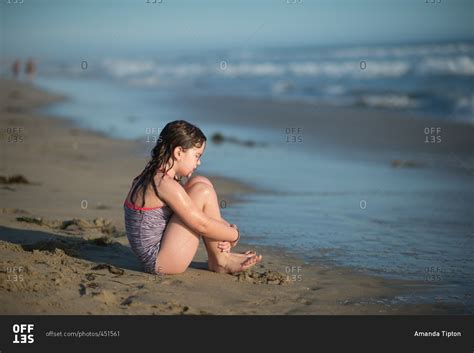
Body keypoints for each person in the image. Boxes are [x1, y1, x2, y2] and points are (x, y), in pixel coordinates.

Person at [124, 120, 262, 275]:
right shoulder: (165, 184)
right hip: (160, 261)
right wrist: (234, 235)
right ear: (178, 153)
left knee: (200, 182)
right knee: (203, 191)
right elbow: (201, 224)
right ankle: (221, 261)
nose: (199, 162)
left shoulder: (155, 176)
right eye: (197, 156)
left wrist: (226, 228)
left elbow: (193, 212)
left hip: (162, 248)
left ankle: (220, 257)